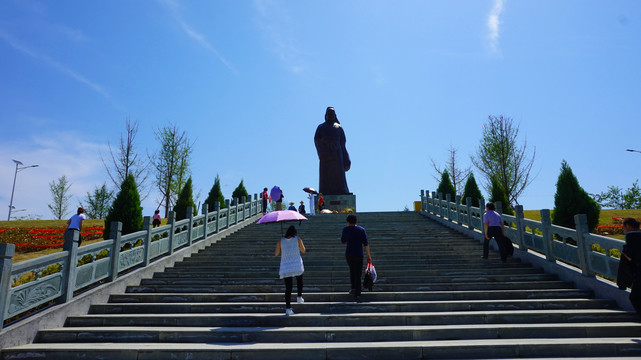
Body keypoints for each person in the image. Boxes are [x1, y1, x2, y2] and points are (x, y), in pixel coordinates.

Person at [314, 107, 351, 195]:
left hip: (337, 155)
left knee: (339, 175)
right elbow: (316, 140)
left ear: (335, 115)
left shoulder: (338, 127)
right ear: (325, 115)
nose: (330, 116)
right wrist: (324, 143)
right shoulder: (321, 127)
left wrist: (346, 157)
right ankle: (325, 191)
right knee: (325, 177)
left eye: (332, 114)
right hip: (325, 157)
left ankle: (342, 190)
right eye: (329, 114)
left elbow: (343, 144)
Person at [275, 225, 306, 315]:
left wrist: (282, 247)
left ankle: (288, 308)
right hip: (296, 263)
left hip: (286, 265)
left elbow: (276, 253)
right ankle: (299, 297)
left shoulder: (281, 241)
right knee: (299, 280)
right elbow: (303, 250)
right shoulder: (298, 239)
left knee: (288, 288)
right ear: (295, 232)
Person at [341, 214, 371, 302]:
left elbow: (343, 241)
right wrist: (369, 256)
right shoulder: (361, 230)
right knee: (358, 273)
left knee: (352, 271)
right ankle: (358, 293)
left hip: (349, 254)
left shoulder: (345, 229)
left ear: (348, 221)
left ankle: (353, 288)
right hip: (359, 254)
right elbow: (366, 244)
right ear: (356, 221)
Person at [622, 217, 641, 318]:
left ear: (628, 226)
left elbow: (630, 256)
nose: (623, 229)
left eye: (623, 226)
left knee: (635, 297)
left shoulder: (631, 236)